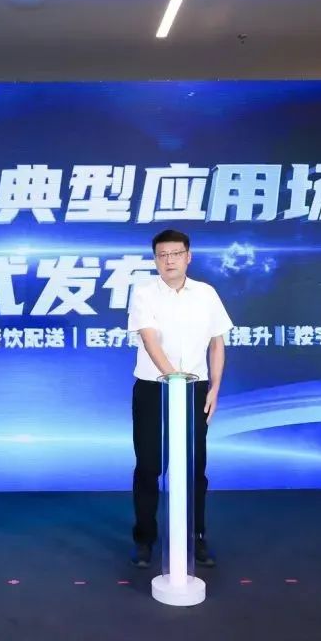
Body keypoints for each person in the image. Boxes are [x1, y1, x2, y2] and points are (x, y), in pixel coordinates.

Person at [127, 229, 233, 568]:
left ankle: (197, 537)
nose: (169, 260)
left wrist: (214, 388)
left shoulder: (206, 294)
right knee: (149, 466)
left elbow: (217, 343)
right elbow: (149, 340)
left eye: (176, 254)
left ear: (188, 256)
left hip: (195, 389)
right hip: (153, 387)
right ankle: (145, 539)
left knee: (194, 467)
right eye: (162, 255)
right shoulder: (144, 293)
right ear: (155, 259)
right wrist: (173, 378)